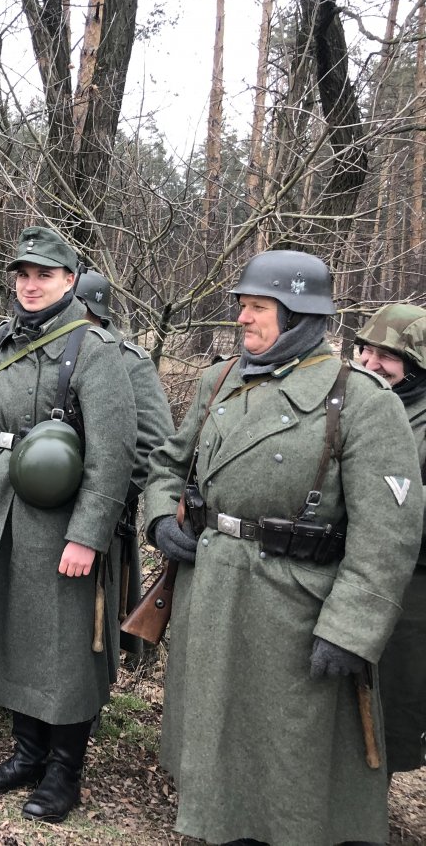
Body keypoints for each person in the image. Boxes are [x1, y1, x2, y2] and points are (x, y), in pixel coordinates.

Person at [145, 251, 422, 846]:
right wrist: (161, 517)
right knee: (214, 728)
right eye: (242, 306)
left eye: (257, 308)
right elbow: (168, 462)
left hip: (295, 605)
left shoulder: (361, 400)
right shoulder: (220, 380)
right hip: (213, 588)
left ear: (298, 317)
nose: (242, 318)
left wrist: (351, 629)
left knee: (289, 751)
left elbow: (387, 535)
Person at [0, 226, 135, 823]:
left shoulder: (94, 347)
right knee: (10, 624)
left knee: (63, 640)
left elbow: (113, 454)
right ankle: (27, 753)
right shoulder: (2, 337)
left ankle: (63, 771)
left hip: (60, 514)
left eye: (44, 275)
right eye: (23, 275)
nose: (30, 285)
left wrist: (87, 535)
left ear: (70, 280)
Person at [75, 269, 174, 659]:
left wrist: (106, 493)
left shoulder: (128, 361)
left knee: (92, 625)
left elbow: (155, 445)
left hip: (105, 513)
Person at [354, 303, 426, 779]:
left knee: (396, 701)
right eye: (365, 349)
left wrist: (384, 499)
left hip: (412, 584)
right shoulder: (354, 401)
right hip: (350, 571)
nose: (371, 362)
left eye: (387, 355)